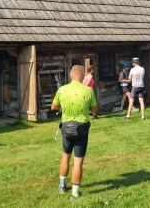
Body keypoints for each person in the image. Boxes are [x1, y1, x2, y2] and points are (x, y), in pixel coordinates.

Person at [51, 65, 98, 200]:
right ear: (83, 76)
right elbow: (94, 110)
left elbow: (53, 106)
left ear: (71, 75)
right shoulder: (88, 90)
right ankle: (75, 193)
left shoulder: (62, 89)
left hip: (66, 127)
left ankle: (61, 186)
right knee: (78, 161)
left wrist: (63, 106)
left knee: (65, 156)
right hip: (82, 128)